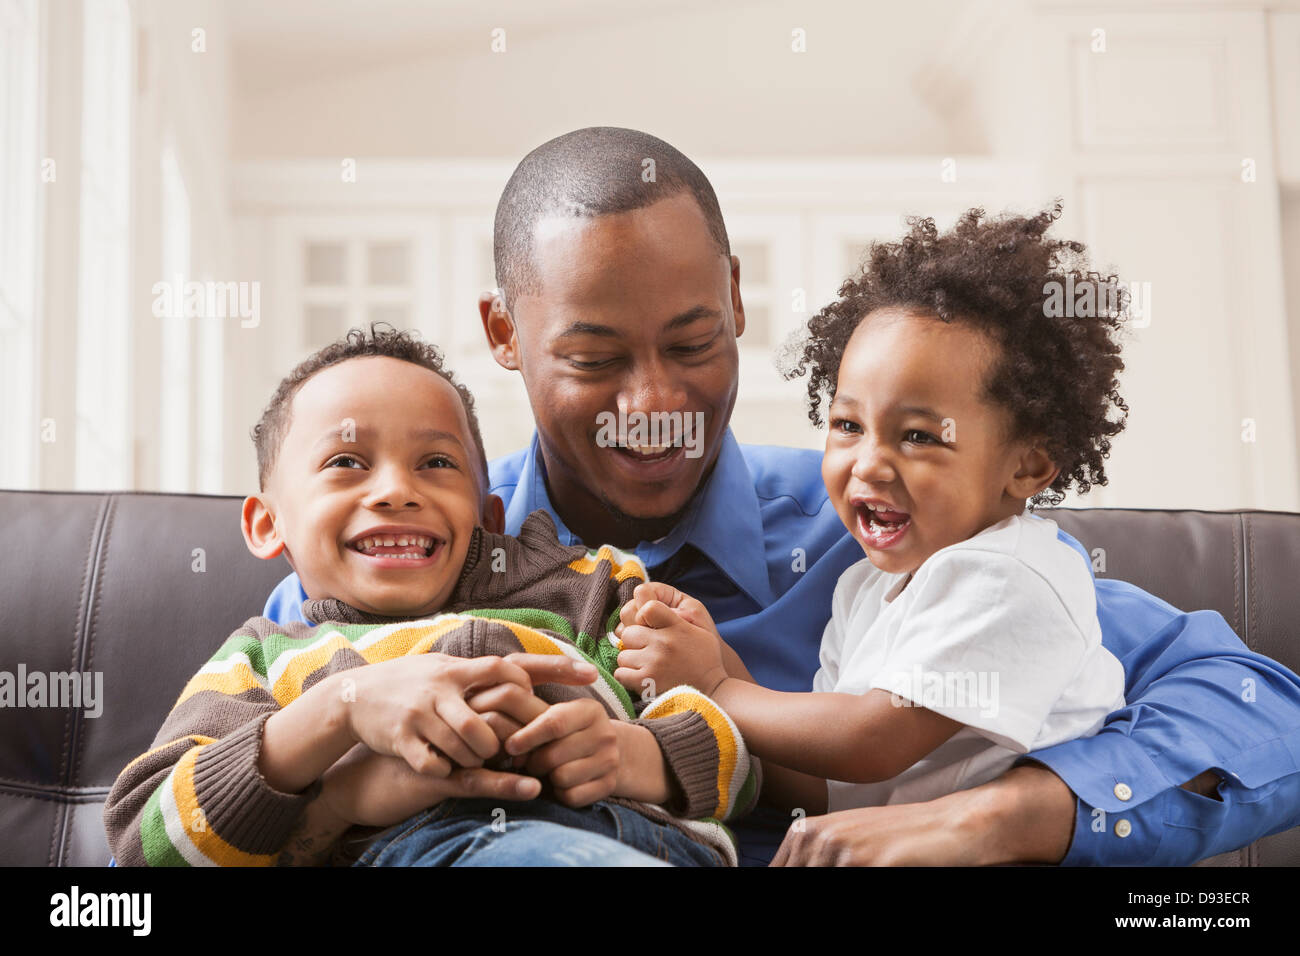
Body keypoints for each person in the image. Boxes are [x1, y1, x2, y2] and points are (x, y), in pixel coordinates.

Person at [263, 126, 1300, 866]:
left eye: (692, 342)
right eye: (592, 357)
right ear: (503, 334)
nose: (654, 403)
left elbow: (1259, 709)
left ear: (737, 302)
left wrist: (1003, 816)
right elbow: (229, 787)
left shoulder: (886, 524)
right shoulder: (393, 554)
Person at [103, 325, 753, 867]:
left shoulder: (591, 592)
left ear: (488, 513)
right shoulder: (264, 659)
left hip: (642, 840)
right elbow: (145, 849)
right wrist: (337, 712)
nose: (395, 490)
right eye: (346, 463)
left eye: (436, 463)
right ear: (267, 522)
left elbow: (747, 771)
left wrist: (637, 757)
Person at [613, 205, 1134, 820]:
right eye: (847, 425)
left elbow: (872, 741)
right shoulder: (865, 588)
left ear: (1028, 466)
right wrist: (712, 653)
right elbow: (824, 784)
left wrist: (717, 686)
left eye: (917, 436)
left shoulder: (1010, 576)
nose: (870, 464)